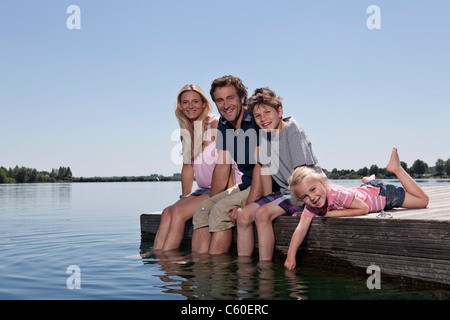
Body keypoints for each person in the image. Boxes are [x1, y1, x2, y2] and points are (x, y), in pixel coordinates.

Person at [284, 147, 429, 270]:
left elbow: (364, 208)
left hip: (382, 195)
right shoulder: (312, 204)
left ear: (323, 182)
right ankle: (369, 180)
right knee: (367, 186)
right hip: (365, 192)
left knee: (422, 200)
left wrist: (330, 214)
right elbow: (301, 229)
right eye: (305, 196)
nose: (312, 197)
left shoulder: (337, 193)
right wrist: (290, 257)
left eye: (313, 189)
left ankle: (396, 169)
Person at [231, 88, 323, 261]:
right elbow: (266, 173)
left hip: (304, 191)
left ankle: (265, 269)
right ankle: (244, 270)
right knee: (243, 214)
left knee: (262, 214)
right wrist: (266, 201)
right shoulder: (265, 136)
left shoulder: (292, 129)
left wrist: (302, 206)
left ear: (279, 111)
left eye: (267, 112)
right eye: (257, 116)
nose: (263, 118)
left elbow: (302, 174)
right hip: (283, 194)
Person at [151, 84, 241, 252]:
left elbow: (227, 163)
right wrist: (184, 196)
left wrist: (224, 197)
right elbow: (187, 168)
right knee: (167, 212)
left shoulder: (215, 124)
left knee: (178, 214)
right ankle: (156, 254)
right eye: (185, 102)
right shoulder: (186, 131)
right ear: (180, 106)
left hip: (220, 188)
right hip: (202, 189)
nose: (190, 106)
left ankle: (170, 261)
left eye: (195, 101)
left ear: (204, 104)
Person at [191, 75, 263, 255]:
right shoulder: (223, 124)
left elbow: (262, 169)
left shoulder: (257, 121)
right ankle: (201, 273)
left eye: (230, 98)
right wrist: (213, 200)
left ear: (242, 98)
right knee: (203, 209)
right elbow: (223, 165)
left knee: (221, 210)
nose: (225, 105)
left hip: (268, 185)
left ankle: (218, 276)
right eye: (220, 100)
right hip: (246, 184)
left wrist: (248, 207)